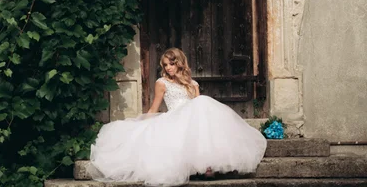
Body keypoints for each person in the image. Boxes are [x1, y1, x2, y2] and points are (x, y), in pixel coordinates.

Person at [89, 47, 267, 186]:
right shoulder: (162, 83)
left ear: (180, 63)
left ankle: (208, 165)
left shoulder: (193, 84)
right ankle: (203, 167)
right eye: (165, 65)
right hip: (174, 118)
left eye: (171, 64)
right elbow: (154, 107)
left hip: (193, 118)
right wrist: (141, 125)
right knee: (202, 104)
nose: (168, 68)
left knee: (203, 104)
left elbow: (201, 111)